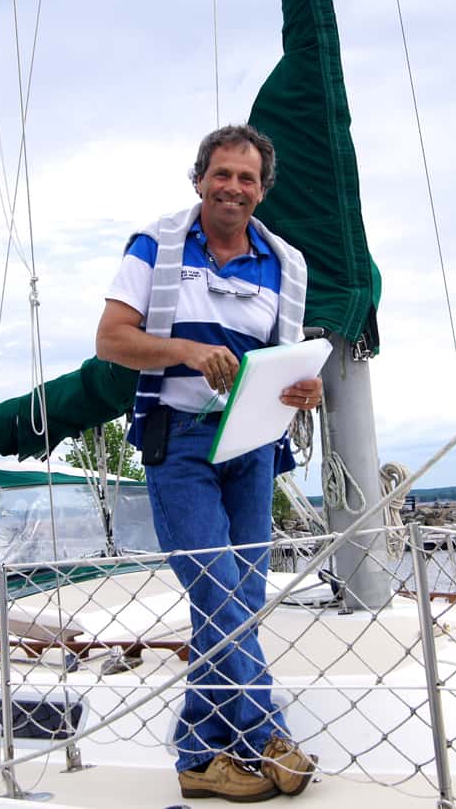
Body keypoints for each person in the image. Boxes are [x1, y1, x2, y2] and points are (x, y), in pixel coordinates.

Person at [96, 124, 322, 802]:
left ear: (262, 190)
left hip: (254, 445)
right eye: (221, 175)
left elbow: (284, 365)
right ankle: (264, 735)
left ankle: (199, 755)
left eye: (246, 179)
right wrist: (187, 353)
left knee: (235, 603)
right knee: (222, 592)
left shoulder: (286, 264)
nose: (233, 188)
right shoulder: (155, 246)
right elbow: (111, 339)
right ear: (199, 180)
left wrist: (304, 391)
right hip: (181, 441)